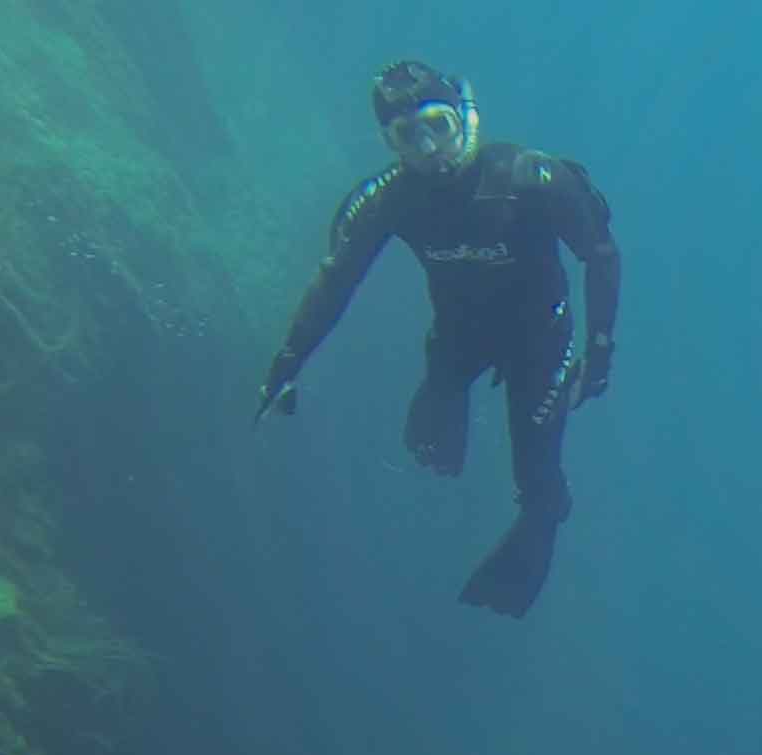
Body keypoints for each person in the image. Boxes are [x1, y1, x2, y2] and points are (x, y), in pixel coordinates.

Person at [255, 59, 622, 619]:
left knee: (537, 478)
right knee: (427, 447)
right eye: (409, 135)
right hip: (456, 339)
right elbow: (337, 281)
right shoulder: (389, 198)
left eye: (439, 126)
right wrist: (287, 363)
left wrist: (598, 352)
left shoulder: (529, 176)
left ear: (465, 117)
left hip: (541, 341)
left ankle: (537, 532)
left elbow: (601, 253)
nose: (430, 149)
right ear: (390, 142)